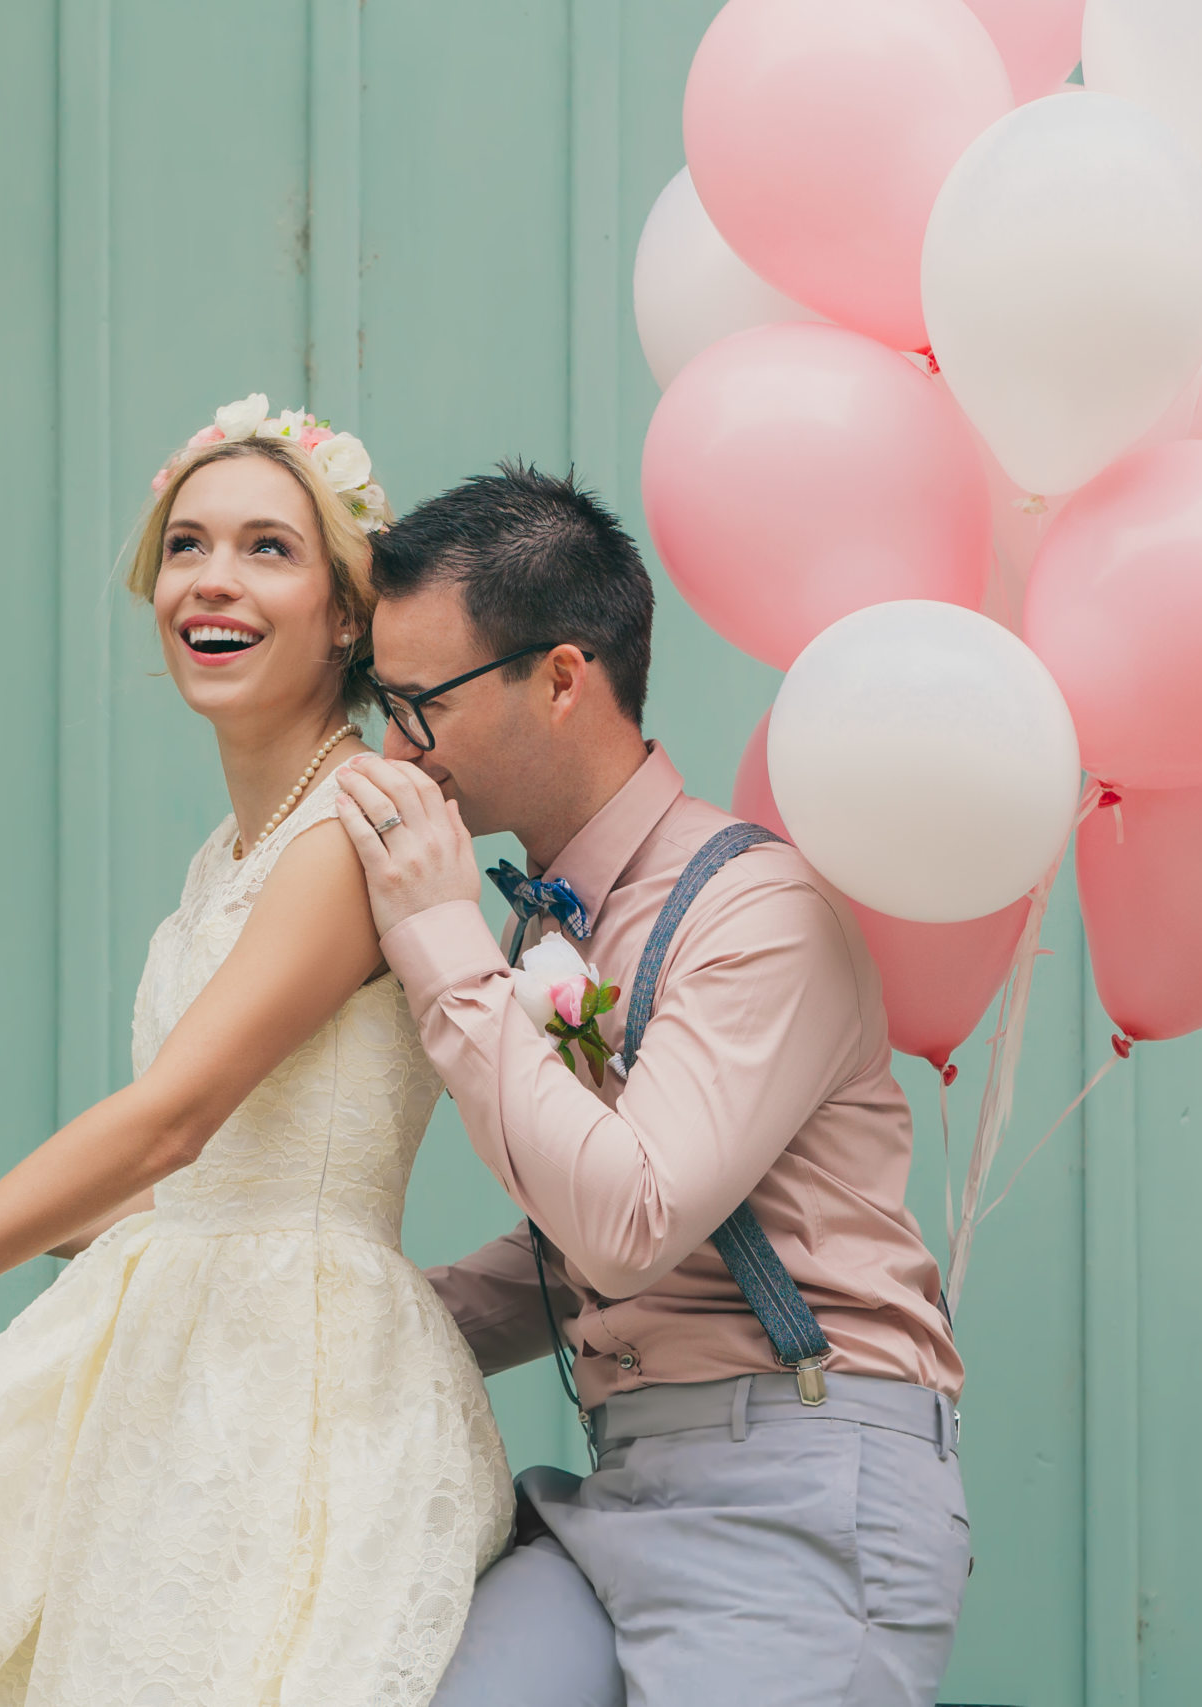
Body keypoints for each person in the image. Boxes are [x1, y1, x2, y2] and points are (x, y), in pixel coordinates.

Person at [0, 399, 511, 1706]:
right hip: (172, 1342)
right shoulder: (226, 857)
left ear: (348, 612)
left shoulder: (352, 829)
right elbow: (209, 1190)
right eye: (187, 545)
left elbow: (177, 1117)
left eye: (268, 548)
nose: (213, 579)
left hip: (283, 1381)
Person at [331, 464, 969, 1707]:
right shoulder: (550, 925)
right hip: (615, 1488)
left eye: (420, 705)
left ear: (562, 678)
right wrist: (320, 1312)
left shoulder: (756, 913)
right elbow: (574, 1243)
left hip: (794, 1486)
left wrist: (436, 937)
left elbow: (629, 1224)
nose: (398, 747)